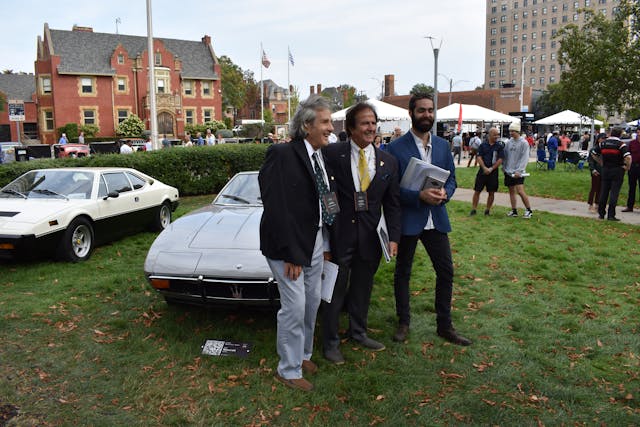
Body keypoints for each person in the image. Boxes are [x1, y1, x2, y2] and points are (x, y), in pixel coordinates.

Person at [259, 95, 336, 392]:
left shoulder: (320, 156)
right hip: (288, 246)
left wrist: (326, 243)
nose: (330, 127)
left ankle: (302, 355)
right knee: (294, 306)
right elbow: (276, 207)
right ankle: (288, 370)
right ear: (307, 125)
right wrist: (291, 252)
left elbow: (323, 204)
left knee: (312, 302)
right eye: (325, 122)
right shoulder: (282, 154)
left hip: (315, 241)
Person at [386, 93, 471, 346]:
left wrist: (446, 194)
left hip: (436, 219)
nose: (427, 115)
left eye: (431, 110)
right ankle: (404, 321)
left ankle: (444, 325)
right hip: (410, 218)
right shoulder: (395, 148)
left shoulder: (443, 146)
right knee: (403, 272)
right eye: (421, 110)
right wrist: (418, 196)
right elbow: (391, 191)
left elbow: (453, 179)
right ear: (411, 113)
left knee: (446, 271)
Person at [321, 103, 401, 364]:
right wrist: (329, 228)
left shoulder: (388, 161)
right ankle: (330, 342)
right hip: (340, 236)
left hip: (371, 238)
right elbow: (325, 194)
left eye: (373, 122)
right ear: (351, 128)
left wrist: (393, 238)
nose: (370, 128)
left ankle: (358, 331)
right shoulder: (332, 154)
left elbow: (392, 203)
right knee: (335, 290)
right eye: (364, 123)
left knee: (362, 287)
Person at [592, 127, 632, 221]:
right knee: (614, 192)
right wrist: (627, 167)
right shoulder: (621, 145)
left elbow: (593, 153)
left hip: (605, 169)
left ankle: (601, 213)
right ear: (620, 134)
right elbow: (628, 157)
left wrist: (601, 162)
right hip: (617, 169)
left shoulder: (603, 143)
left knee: (604, 191)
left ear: (611, 133)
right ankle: (611, 215)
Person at [469, 127, 504, 216]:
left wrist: (492, 168)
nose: (496, 136)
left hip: (493, 172)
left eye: (497, 134)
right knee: (477, 190)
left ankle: (487, 210)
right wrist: (484, 168)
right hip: (482, 172)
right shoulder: (483, 145)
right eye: (495, 134)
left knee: (491, 192)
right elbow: (479, 157)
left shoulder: (499, 146)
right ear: (489, 135)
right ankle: (474, 209)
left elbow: (500, 159)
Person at [503, 121, 533, 218]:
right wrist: (504, 167)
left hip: (518, 172)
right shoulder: (508, 143)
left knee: (520, 191)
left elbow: (524, 158)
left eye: (513, 131)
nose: (511, 133)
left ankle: (528, 210)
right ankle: (514, 210)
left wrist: (519, 170)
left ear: (518, 131)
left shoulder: (524, 143)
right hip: (509, 171)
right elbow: (505, 156)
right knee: (511, 191)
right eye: (510, 131)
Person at [587, 133, 606, 213]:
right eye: (602, 138)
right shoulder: (594, 149)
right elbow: (591, 161)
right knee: (594, 188)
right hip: (596, 171)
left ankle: (597, 204)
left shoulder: (605, 149)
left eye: (605, 138)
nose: (604, 140)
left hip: (603, 171)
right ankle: (590, 204)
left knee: (601, 189)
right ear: (598, 139)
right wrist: (593, 169)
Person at [621, 132, 640, 212]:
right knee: (632, 187)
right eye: (638, 133)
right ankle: (630, 206)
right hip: (633, 166)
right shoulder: (632, 143)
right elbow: (627, 154)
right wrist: (626, 165)